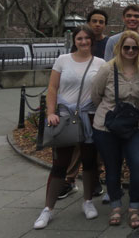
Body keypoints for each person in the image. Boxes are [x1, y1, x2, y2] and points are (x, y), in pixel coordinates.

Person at [33, 25, 105, 230]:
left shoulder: (100, 64)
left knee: (90, 162)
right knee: (60, 163)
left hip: (89, 117)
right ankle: (48, 208)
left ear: (92, 41)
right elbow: (52, 88)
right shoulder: (62, 60)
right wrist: (50, 112)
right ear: (75, 40)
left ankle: (88, 201)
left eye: (87, 39)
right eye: (79, 38)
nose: (83, 42)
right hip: (65, 117)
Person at [91, 31, 139, 229]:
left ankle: (134, 207)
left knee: (138, 164)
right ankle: (116, 205)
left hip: (134, 125)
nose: (130, 51)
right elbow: (96, 95)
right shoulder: (107, 69)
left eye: (135, 47)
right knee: (113, 167)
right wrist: (112, 112)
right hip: (107, 126)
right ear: (119, 48)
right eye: (127, 47)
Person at [57, 10, 109, 201]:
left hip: (96, 105)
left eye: (101, 21)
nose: (97, 24)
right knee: (76, 145)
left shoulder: (107, 44)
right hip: (74, 107)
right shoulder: (70, 53)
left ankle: (94, 179)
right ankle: (70, 180)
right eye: (94, 21)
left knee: (94, 146)